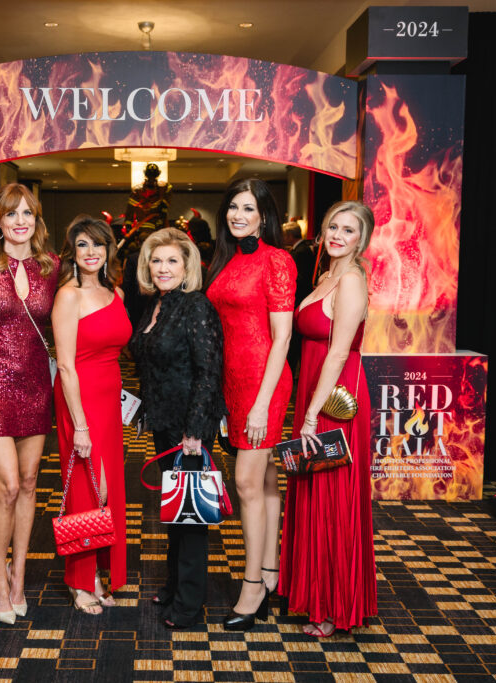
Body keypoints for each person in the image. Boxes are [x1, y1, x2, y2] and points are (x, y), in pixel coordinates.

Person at [280, 200, 377, 638]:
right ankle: (316, 596)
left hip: (337, 399)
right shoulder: (325, 276)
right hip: (315, 391)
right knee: (313, 490)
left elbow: (339, 352)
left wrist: (313, 414)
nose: (338, 235)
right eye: (333, 227)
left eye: (349, 230)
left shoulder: (352, 280)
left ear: (363, 239)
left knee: (332, 496)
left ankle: (337, 607)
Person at [0, 183, 59, 624]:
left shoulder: (50, 266)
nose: (20, 221)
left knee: (30, 479)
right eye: (11, 214)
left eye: (28, 214)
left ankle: (19, 574)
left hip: (36, 383)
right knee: (6, 485)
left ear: (37, 221)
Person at [204, 178, 296, 631]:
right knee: (266, 480)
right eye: (232, 208)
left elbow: (282, 338)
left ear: (264, 215)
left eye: (248, 209)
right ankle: (274, 570)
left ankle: (253, 584)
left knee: (245, 482)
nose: (238, 216)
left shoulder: (277, 260)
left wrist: (261, 405)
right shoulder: (227, 259)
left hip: (265, 382)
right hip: (233, 382)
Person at [129, 228, 225, 630]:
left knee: (192, 516)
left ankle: (188, 604)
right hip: (164, 425)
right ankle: (173, 587)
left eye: (172, 261)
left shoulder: (195, 306)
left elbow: (208, 372)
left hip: (188, 429)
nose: (163, 268)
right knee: (175, 512)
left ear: (187, 267)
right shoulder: (155, 305)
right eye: (156, 260)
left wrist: (196, 429)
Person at [52, 215, 132, 615]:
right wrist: (79, 423)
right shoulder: (68, 295)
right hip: (78, 397)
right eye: (82, 244)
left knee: (109, 489)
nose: (91, 252)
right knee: (89, 488)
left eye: (97, 244)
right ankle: (81, 580)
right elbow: (65, 364)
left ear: (108, 250)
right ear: (73, 251)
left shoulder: (116, 292)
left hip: (109, 398)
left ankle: (99, 571)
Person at [284, 220, 318, 374]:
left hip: (298, 301)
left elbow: (299, 279)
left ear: (290, 236)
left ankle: (291, 371)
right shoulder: (301, 250)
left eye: (285, 235)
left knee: (294, 343)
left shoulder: (300, 252)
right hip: (300, 301)